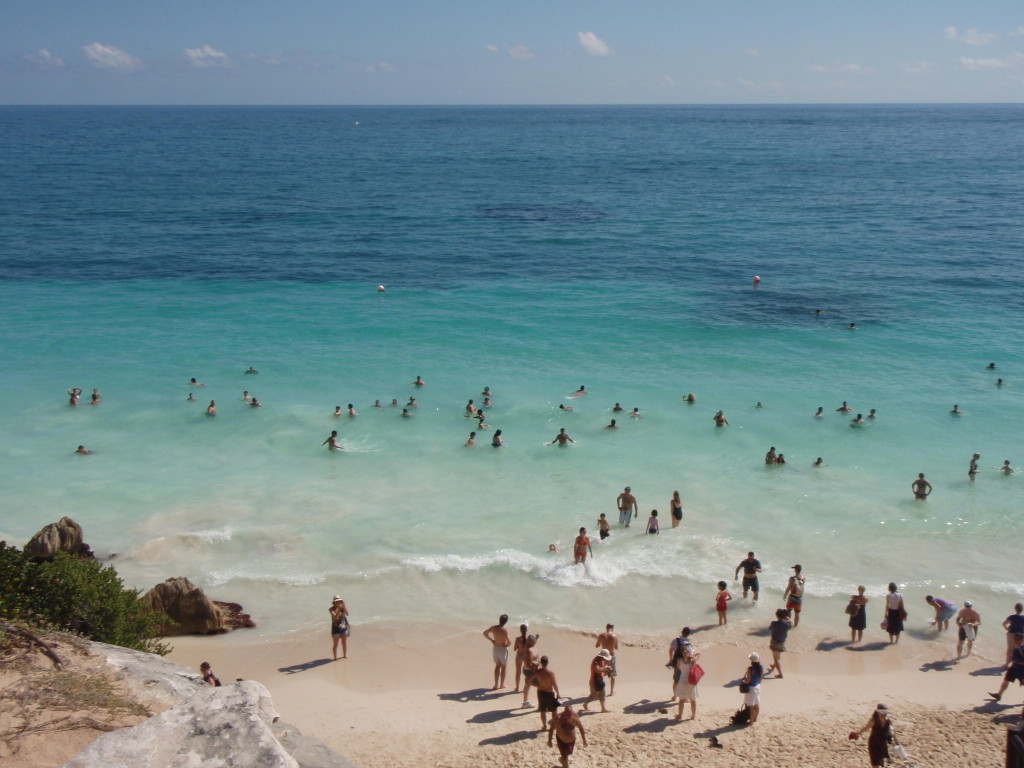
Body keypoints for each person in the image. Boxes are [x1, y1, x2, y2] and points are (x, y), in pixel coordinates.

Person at [548, 704, 586, 768]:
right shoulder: (558, 718)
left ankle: (562, 760)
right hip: (561, 740)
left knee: (568, 753)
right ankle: (564, 763)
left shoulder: (575, 716)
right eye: (568, 714)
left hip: (572, 740)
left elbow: (581, 727)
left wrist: (584, 740)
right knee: (565, 757)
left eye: (570, 714)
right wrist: (549, 740)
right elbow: (551, 729)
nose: (569, 716)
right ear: (564, 712)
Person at [990, 633, 1024, 701]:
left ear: (1021, 640)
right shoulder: (1015, 647)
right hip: (1014, 668)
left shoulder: (1022, 648)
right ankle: (999, 695)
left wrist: (1014, 660)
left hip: (1021, 670)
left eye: (1016, 639)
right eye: (1014, 639)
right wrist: (1012, 658)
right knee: (1006, 680)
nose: (1014, 641)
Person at [672, 641, 701, 720]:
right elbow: (699, 652)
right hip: (691, 681)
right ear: (689, 652)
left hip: (682, 680)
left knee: (681, 700)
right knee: (692, 700)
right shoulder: (692, 661)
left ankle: (680, 715)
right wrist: (692, 654)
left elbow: (678, 668)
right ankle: (693, 716)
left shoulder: (679, 661)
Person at [482, 614, 511, 690]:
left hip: (495, 648)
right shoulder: (505, 630)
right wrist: (506, 644)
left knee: (497, 666)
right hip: (502, 649)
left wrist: (492, 640)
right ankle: (501, 684)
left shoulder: (494, 628)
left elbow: (485, 633)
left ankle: (495, 685)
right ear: (506, 621)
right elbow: (509, 642)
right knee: (504, 667)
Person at [531, 656, 561, 729]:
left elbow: (529, 680)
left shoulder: (537, 672)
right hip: (549, 693)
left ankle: (544, 726)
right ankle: (554, 725)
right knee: (554, 710)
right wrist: (558, 693)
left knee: (543, 710)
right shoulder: (550, 673)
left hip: (541, 692)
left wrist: (536, 685)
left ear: (541, 663)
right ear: (547, 663)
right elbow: (554, 684)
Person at [766, 609, 791, 678]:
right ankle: (774, 665)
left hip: (774, 642)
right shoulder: (787, 624)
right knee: (778, 655)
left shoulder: (774, 623)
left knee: (775, 658)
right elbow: (789, 624)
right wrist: (788, 620)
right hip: (782, 642)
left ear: (777, 616)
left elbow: (770, 628)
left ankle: (780, 674)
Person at [668, 627, 692, 697]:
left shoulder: (675, 641)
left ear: (682, 632)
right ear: (688, 634)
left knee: (676, 681)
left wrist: (671, 659)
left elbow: (670, 650)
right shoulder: (689, 645)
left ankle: (675, 696)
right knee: (684, 681)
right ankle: (684, 697)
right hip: (685, 665)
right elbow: (690, 656)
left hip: (676, 663)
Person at [595, 624, 619, 695]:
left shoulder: (601, 635)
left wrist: (603, 643)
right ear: (612, 629)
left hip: (603, 656)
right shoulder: (615, 636)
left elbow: (597, 645)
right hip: (611, 656)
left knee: (601, 673)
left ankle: (599, 691)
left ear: (606, 628)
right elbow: (616, 647)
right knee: (612, 675)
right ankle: (611, 691)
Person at [741, 652, 762, 724]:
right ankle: (755, 718)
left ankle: (751, 722)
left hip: (751, 689)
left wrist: (743, 681)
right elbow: (760, 679)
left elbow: (748, 681)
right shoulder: (761, 667)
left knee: (751, 706)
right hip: (757, 687)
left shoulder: (750, 669)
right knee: (756, 704)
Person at [512, 624, 530, 692]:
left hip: (519, 655)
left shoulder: (518, 639)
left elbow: (514, 649)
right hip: (526, 656)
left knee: (518, 672)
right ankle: (525, 688)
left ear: (520, 630)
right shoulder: (528, 639)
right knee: (526, 672)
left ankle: (517, 688)